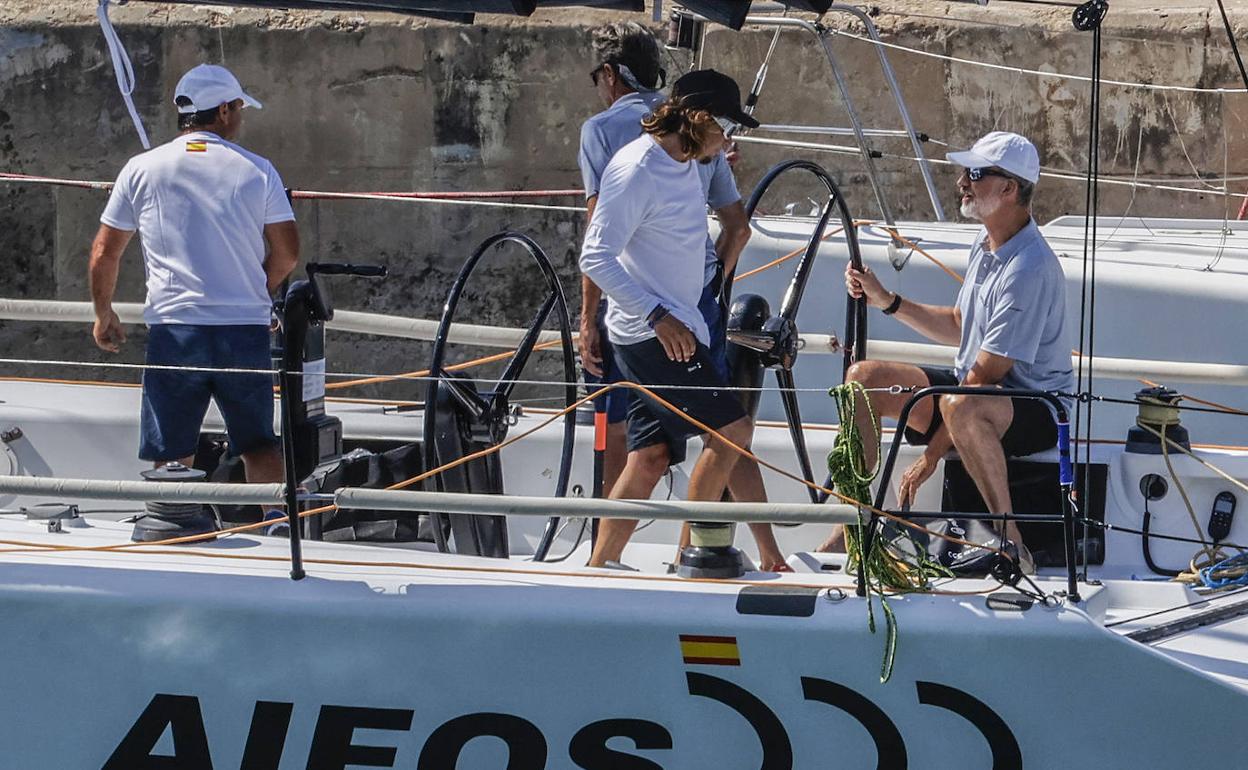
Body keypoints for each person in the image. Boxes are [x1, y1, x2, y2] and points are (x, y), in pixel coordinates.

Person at [821, 131, 1074, 573]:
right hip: (975, 395)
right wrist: (887, 301)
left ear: (1008, 188)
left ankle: (1011, 544)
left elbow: (985, 377)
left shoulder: (1029, 268)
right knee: (863, 379)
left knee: (961, 404)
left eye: (974, 173)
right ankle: (857, 525)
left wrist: (931, 456)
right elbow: (960, 324)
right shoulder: (987, 243)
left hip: (1038, 410)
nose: (961, 182)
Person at [580, 69, 785, 571]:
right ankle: (691, 562)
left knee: (649, 457)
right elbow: (595, 256)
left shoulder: (687, 163)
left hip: (680, 326)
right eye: (725, 127)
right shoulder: (636, 169)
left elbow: (727, 230)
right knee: (732, 431)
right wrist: (658, 317)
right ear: (697, 117)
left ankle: (599, 567)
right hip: (654, 335)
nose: (728, 140)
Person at [89, 64, 299, 521]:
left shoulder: (141, 169)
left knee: (171, 451)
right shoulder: (258, 170)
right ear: (223, 111)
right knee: (259, 444)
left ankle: (172, 529)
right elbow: (287, 254)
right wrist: (256, 291)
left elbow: (105, 252)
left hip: (175, 331)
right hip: (242, 331)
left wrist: (104, 313)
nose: (240, 116)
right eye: (239, 107)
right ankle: (278, 531)